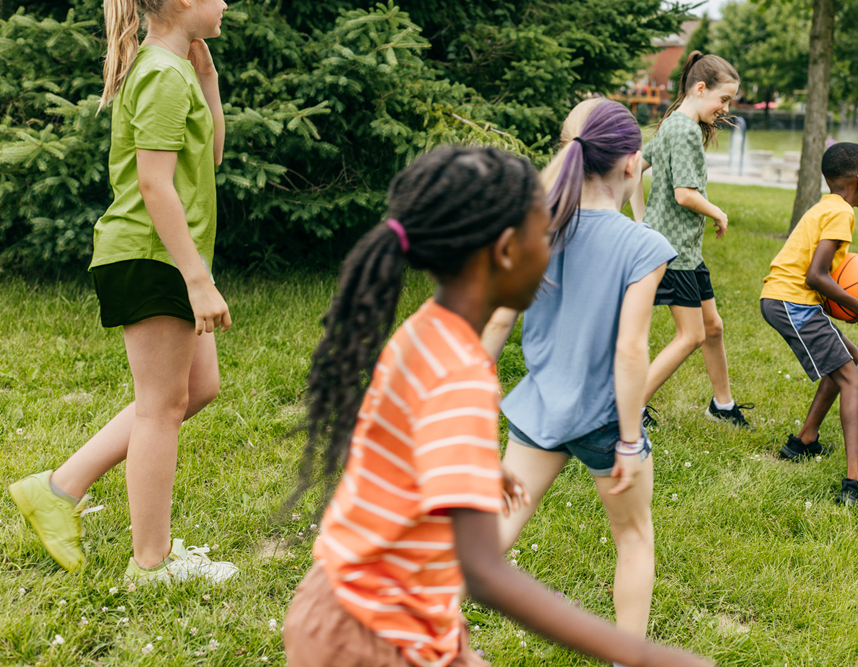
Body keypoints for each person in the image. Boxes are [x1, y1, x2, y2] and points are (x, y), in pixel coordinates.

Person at [283, 147, 709, 667]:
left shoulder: (429, 331)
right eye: (543, 237)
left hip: (374, 603)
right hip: (372, 632)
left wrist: (480, 466)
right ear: (508, 251)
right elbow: (484, 572)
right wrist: (642, 655)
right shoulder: (459, 374)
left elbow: (412, 440)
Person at [9, 0, 238, 582]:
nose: (225, 5)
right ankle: (150, 562)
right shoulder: (159, 76)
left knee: (195, 390)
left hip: (164, 252)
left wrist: (210, 82)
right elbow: (153, 185)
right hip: (150, 254)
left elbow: (209, 158)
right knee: (161, 407)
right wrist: (196, 277)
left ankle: (60, 487)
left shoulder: (175, 70)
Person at [480, 99, 676, 640]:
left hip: (540, 407)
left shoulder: (538, 229)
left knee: (496, 530)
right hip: (607, 423)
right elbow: (631, 351)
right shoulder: (645, 245)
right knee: (634, 539)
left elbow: (498, 321)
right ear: (633, 164)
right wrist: (632, 442)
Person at [759, 143, 858, 505]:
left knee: (850, 357)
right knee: (852, 379)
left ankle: (805, 440)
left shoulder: (827, 206)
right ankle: (855, 483)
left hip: (789, 299)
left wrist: (851, 308)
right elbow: (816, 275)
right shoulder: (841, 213)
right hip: (791, 303)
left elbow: (814, 275)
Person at [632, 51, 751, 429]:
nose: (725, 108)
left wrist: (642, 221)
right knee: (691, 335)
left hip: (685, 251)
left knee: (712, 327)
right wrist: (716, 211)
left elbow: (634, 167)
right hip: (675, 254)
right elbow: (685, 194)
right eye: (723, 99)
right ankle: (627, 410)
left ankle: (723, 405)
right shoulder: (682, 130)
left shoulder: (673, 125)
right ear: (701, 89)